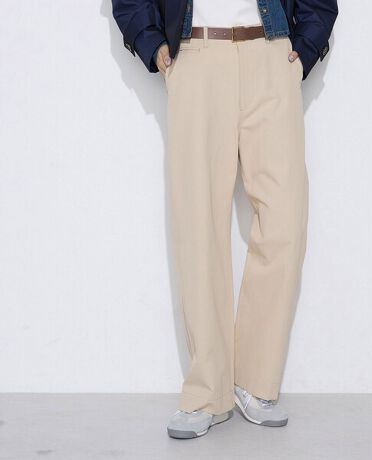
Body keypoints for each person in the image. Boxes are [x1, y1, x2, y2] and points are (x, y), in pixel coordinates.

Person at [112, 0, 338, 439]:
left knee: (285, 220)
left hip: (271, 54)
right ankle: (207, 392)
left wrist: (305, 48)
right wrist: (152, 43)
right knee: (198, 224)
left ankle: (256, 380)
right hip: (196, 55)